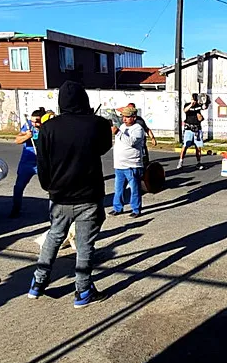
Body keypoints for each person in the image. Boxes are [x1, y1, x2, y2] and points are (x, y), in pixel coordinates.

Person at [29, 80, 113, 308]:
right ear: (84, 100)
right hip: (89, 194)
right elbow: (104, 147)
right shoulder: (98, 124)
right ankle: (83, 291)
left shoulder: (47, 128)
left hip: (59, 195)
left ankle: (38, 283)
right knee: (85, 245)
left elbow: (42, 163)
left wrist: (50, 187)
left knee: (54, 236)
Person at [110, 105, 146, 218]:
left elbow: (131, 142)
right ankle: (117, 207)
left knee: (134, 188)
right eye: (123, 117)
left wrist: (118, 133)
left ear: (134, 117)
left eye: (127, 117)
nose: (124, 119)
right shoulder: (122, 126)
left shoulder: (138, 129)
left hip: (132, 165)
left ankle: (136, 209)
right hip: (120, 165)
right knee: (118, 189)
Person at [10, 108, 46, 218]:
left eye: (37, 121)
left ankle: (55, 211)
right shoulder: (28, 125)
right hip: (27, 162)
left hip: (43, 162)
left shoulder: (48, 127)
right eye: (33, 121)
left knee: (50, 187)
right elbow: (17, 140)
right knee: (19, 186)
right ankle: (16, 209)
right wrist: (27, 136)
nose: (35, 124)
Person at [178, 93, 205, 170]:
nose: (193, 101)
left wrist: (205, 103)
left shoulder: (199, 106)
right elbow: (184, 110)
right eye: (192, 99)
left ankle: (198, 162)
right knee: (185, 146)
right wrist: (191, 105)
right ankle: (181, 161)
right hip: (188, 129)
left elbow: (204, 107)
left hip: (197, 128)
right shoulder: (187, 105)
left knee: (198, 147)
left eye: (195, 100)